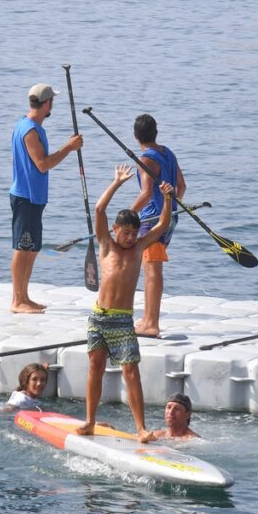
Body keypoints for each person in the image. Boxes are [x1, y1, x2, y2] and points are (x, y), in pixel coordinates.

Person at [76, 165, 175, 442]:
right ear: (115, 230)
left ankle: (141, 428)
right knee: (95, 368)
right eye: (126, 233)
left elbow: (162, 225)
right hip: (98, 318)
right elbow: (99, 209)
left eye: (134, 233)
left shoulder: (139, 248)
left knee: (131, 372)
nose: (130, 238)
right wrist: (117, 182)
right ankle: (90, 421)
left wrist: (168, 199)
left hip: (122, 320)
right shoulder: (106, 244)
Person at [9, 83, 83, 314]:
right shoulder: (29, 130)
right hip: (26, 196)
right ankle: (17, 301)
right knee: (23, 248)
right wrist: (69, 147)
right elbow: (42, 164)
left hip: (35, 197)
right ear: (47, 103)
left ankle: (24, 297)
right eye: (52, 101)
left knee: (31, 249)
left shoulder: (31, 126)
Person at [129, 113, 186, 338]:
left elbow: (146, 194)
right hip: (170, 217)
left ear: (136, 136)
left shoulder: (145, 160)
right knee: (152, 268)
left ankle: (151, 323)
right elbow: (181, 186)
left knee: (152, 270)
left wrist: (128, 215)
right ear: (156, 133)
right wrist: (170, 206)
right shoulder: (167, 152)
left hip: (152, 220)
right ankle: (147, 318)